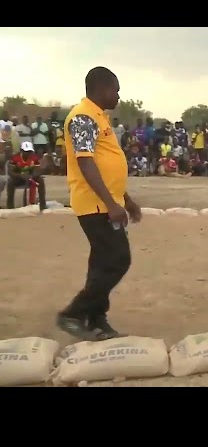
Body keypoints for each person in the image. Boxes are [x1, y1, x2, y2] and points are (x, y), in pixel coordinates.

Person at [57, 66, 142, 341]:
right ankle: (73, 313)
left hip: (107, 202)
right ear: (101, 89)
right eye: (115, 89)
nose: (118, 95)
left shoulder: (99, 117)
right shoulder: (83, 117)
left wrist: (126, 200)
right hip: (95, 204)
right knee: (117, 259)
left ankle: (96, 318)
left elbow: (108, 163)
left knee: (101, 262)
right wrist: (111, 203)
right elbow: (85, 161)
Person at [5, 141, 47, 211]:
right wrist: (21, 175)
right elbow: (10, 172)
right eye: (26, 151)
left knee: (40, 181)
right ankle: (10, 206)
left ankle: (43, 205)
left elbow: (37, 171)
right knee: (10, 182)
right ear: (21, 150)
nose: (28, 153)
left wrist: (31, 176)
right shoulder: (15, 158)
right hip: (18, 178)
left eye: (30, 151)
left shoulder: (34, 158)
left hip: (30, 178)